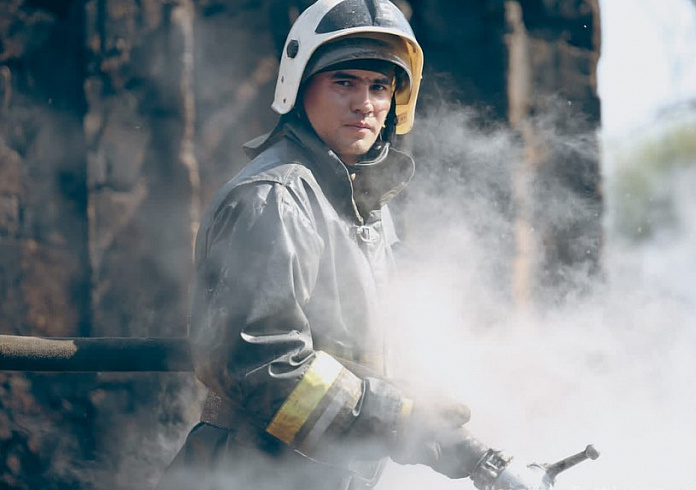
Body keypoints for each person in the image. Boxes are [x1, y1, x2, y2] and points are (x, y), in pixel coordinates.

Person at [159, 1, 482, 488]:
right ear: (299, 87)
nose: (365, 103)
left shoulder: (365, 207)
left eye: (380, 86)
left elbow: (357, 353)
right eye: (344, 82)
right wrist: (396, 419)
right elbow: (264, 365)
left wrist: (415, 406)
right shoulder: (277, 198)